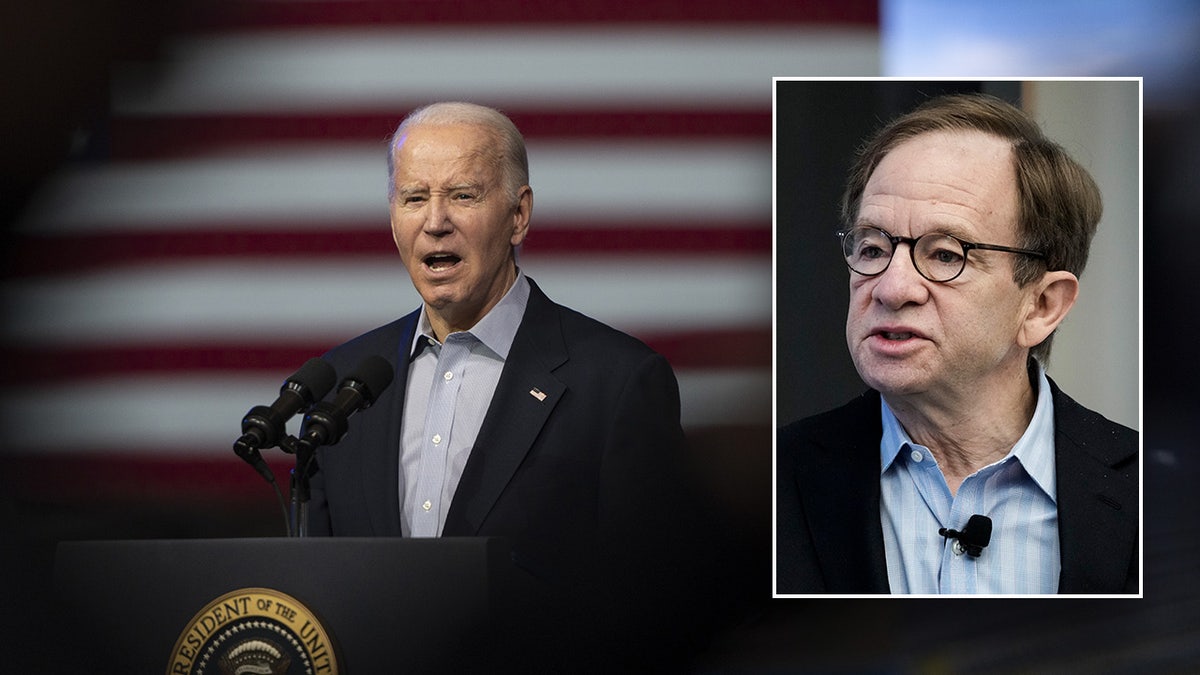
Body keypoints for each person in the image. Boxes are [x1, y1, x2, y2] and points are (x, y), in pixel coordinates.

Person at [306, 101, 707, 666]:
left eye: (463, 195)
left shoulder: (617, 382)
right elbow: (312, 596)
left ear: (519, 215)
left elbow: (659, 607)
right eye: (414, 197)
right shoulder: (343, 386)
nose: (435, 221)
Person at [776, 93, 1138, 595]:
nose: (891, 287)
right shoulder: (769, 487)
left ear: (1041, 306)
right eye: (873, 247)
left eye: (946, 255)